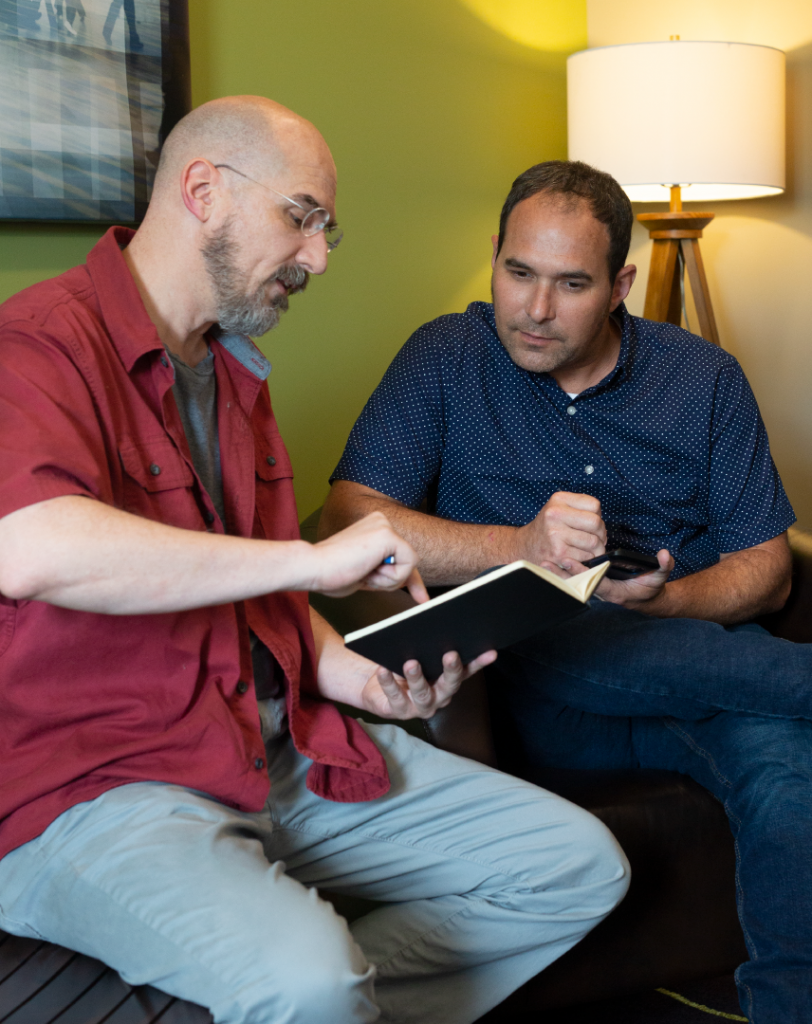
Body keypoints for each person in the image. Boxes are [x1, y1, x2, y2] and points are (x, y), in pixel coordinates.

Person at [0, 103, 629, 1024]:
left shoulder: (233, 371)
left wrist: (364, 684)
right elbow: (30, 546)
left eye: (327, 228)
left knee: (576, 868)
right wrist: (307, 560)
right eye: (302, 216)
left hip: (277, 745)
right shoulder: (37, 343)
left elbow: (248, 606)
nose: (320, 256)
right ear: (203, 191)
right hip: (100, 784)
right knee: (310, 980)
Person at [321, 160, 812, 1024]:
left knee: (786, 775)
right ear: (496, 257)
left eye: (572, 284)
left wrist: (671, 603)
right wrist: (521, 548)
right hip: (534, 684)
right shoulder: (446, 357)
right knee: (556, 626)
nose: (536, 310)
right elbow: (347, 519)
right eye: (519, 273)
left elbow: (767, 565)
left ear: (621, 285)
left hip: (696, 669)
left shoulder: (703, 381)